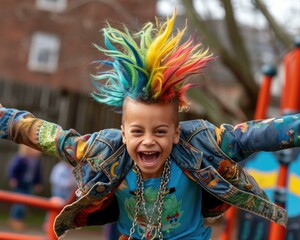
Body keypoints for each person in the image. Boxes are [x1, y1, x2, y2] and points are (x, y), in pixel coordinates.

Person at [0, 10, 299, 239]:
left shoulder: (200, 145)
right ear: (123, 132)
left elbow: (255, 136)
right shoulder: (103, 151)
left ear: (176, 132)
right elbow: (47, 136)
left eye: (160, 131)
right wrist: (4, 119)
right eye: (137, 131)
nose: (148, 141)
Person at [6, 144, 43, 231]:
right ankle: (15, 219)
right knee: (19, 202)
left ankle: (18, 220)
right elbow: (13, 169)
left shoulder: (35, 161)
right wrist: (12, 178)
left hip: (28, 184)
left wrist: (38, 183)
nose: (38, 152)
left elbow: (38, 174)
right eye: (35, 150)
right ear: (28, 149)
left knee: (25, 203)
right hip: (20, 183)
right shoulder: (21, 159)